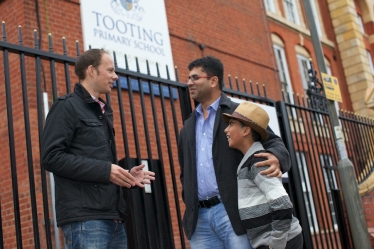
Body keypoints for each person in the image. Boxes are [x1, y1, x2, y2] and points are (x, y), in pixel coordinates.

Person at [41, 49, 155, 249]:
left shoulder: (102, 111)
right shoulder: (66, 107)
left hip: (113, 218)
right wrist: (106, 171)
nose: (115, 76)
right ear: (91, 71)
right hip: (85, 221)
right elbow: (51, 157)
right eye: (110, 70)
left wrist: (125, 175)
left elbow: (95, 161)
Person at [178, 56, 291, 249]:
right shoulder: (188, 126)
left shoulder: (238, 112)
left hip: (232, 212)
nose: (189, 83)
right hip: (200, 219)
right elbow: (184, 172)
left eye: (195, 78)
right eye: (188, 78)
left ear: (213, 80)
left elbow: (274, 142)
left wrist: (277, 158)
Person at [223, 101, 303, 249]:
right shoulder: (250, 161)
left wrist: (276, 244)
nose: (226, 130)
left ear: (246, 130)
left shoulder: (257, 163)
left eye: (231, 124)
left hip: (279, 242)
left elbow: (283, 205)